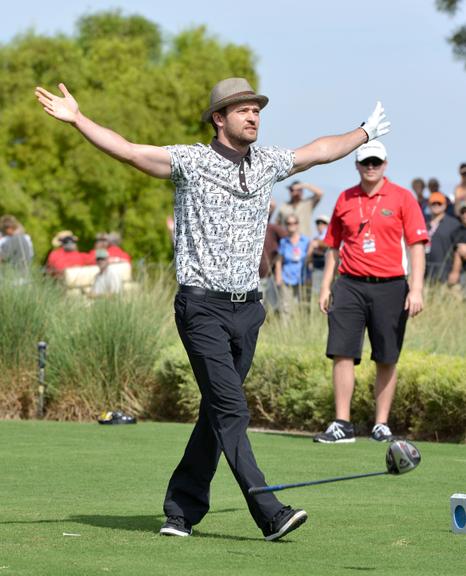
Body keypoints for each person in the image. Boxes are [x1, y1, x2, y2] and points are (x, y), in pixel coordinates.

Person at [35, 77, 390, 540]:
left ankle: (180, 510)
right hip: (201, 307)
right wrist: (79, 119)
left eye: (256, 109)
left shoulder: (265, 163)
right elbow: (128, 151)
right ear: (219, 119)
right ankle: (269, 511)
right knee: (231, 408)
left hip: (249, 310)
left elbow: (319, 150)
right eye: (241, 110)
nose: (252, 116)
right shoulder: (191, 161)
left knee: (217, 413)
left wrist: (364, 132)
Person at [314, 140, 428, 444]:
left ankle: (381, 424)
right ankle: (342, 424)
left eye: (376, 162)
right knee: (341, 351)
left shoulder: (403, 198)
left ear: (385, 164)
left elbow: (416, 246)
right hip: (349, 283)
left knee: (387, 355)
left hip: (391, 284)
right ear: (357, 165)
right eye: (366, 162)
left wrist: (416, 289)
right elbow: (332, 247)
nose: (371, 167)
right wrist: (326, 286)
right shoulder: (345, 198)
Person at [274, 215, 311, 316]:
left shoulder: (306, 241)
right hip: (287, 278)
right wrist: (278, 276)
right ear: (286, 225)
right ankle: (285, 330)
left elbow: (309, 260)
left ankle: (303, 328)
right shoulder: (283, 242)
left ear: (298, 224)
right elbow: (279, 260)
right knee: (286, 307)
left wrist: (309, 276)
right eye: (289, 223)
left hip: (301, 279)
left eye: (294, 223)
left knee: (302, 307)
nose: (292, 226)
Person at [425, 192, 461, 283]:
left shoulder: (454, 224)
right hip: (427, 274)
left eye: (439, 203)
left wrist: (455, 272)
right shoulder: (425, 225)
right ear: (428, 205)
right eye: (433, 203)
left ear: (445, 205)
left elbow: (459, 250)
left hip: (446, 274)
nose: (436, 205)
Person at [258, 199, 286, 312]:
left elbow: (291, 240)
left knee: (272, 306)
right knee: (258, 306)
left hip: (269, 275)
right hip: (254, 278)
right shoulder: (251, 227)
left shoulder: (273, 228)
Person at [307, 214, 330, 295]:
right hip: (317, 268)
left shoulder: (329, 237)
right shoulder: (315, 238)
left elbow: (329, 244)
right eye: (318, 223)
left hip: (328, 269)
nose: (320, 225)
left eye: (323, 223)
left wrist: (318, 244)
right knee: (316, 292)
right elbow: (309, 254)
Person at [448, 200, 466, 293]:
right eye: (463, 212)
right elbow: (458, 252)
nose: (465, 214)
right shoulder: (457, 232)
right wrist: (455, 272)